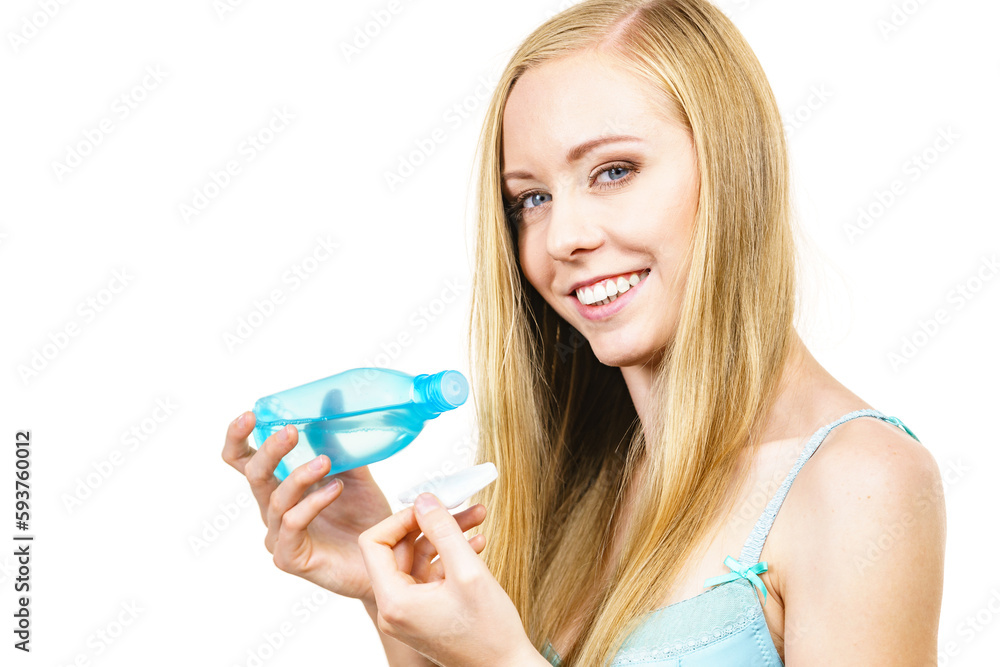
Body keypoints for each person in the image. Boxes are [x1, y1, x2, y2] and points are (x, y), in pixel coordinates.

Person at [223, 0, 947, 664]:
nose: (561, 237)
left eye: (613, 171)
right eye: (531, 198)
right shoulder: (569, 489)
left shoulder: (862, 483)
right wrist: (387, 590)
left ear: (735, 169)